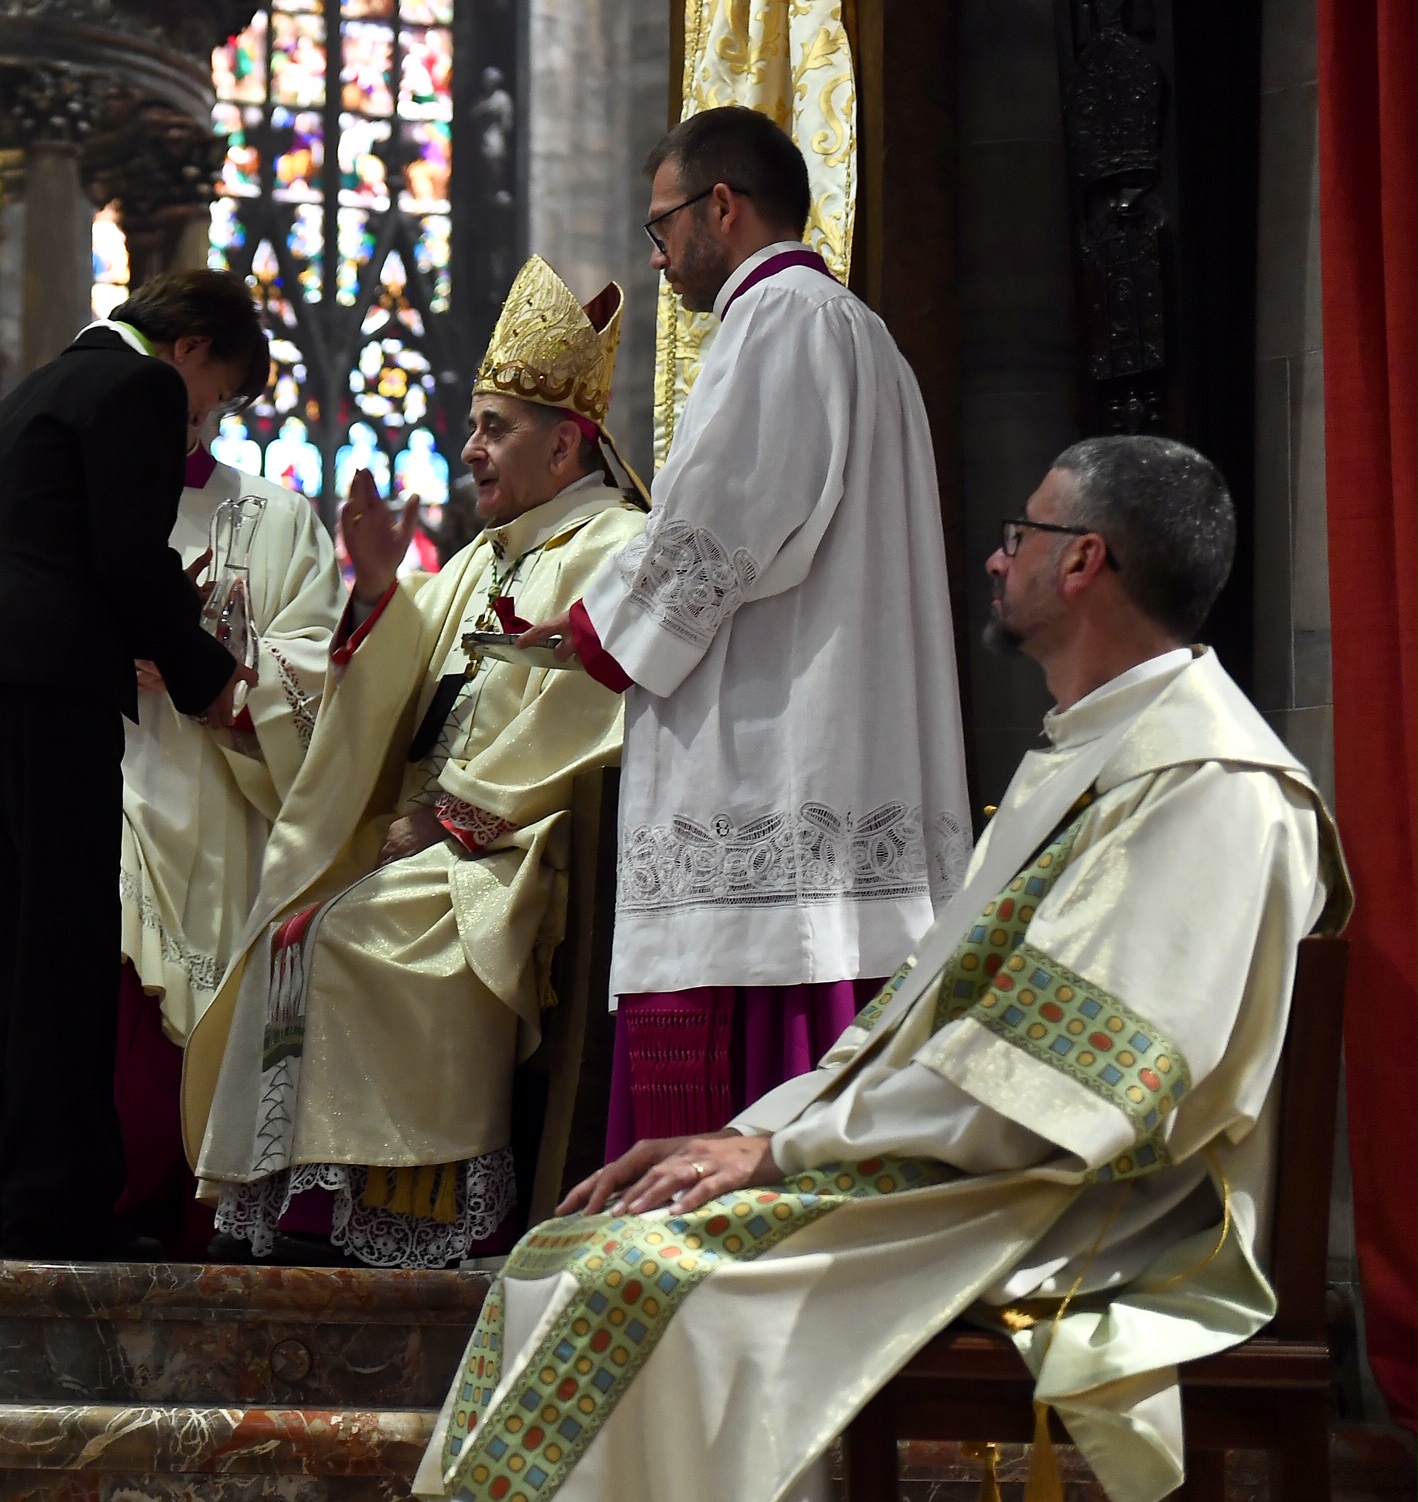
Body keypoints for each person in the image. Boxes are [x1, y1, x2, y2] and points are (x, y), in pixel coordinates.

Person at [419, 437, 1348, 1502]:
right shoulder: (1090, 749)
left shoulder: (1206, 784)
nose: (996, 562)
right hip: (981, 1171)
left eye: (1019, 536)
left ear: (1083, 561)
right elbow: (923, 1024)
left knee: (635, 1282)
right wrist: (756, 1134)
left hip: (1075, 1209)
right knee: (574, 1251)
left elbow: (1062, 1085)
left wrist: (780, 1151)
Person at [519, 105, 970, 1149]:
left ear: (721, 207)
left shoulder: (779, 323)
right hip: (835, 742)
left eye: (662, 224)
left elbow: (716, 522)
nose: (658, 255)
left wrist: (593, 631)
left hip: (773, 758)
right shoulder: (859, 333)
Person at [186, 256, 649, 1269]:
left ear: (567, 441)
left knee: (353, 936)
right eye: (475, 424)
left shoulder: (615, 546)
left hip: (514, 847)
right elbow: (389, 679)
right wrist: (377, 592)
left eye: (494, 428)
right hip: (422, 837)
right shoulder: (486, 556)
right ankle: (307, 1208)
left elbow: (584, 709)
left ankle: (414, 1213)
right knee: (289, 916)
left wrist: (451, 815)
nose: (469, 449)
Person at [0, 269, 263, 1260]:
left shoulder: (35, 386)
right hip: (47, 685)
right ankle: (60, 1208)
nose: (203, 421)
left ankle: (13, 1201)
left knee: (12, 961)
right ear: (190, 346)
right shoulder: (139, 386)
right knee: (64, 952)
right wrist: (211, 679)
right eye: (218, 393)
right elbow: (126, 555)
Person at [116, 426, 342, 1251]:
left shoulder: (276, 518)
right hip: (115, 789)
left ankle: (204, 1217)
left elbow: (319, 664)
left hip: (231, 802)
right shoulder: (88, 502)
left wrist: (219, 668)